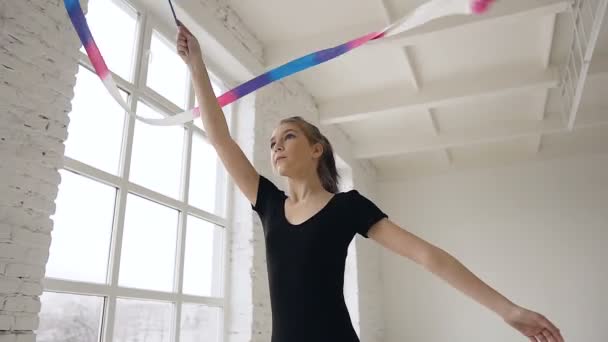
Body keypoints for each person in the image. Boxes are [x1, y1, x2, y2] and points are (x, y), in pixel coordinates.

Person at [176, 24, 564, 342]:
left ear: (316, 150)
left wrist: (508, 310)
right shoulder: (269, 204)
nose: (277, 144)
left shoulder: (347, 208)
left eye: (289, 136)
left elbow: (428, 256)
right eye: (273, 141)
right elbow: (220, 138)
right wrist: (196, 64)